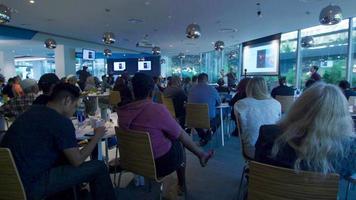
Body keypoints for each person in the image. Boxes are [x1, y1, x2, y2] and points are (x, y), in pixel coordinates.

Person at [0, 83, 116, 200]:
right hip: (32, 186)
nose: (74, 111)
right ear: (67, 100)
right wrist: (97, 136)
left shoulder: (30, 112)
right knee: (99, 166)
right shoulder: (61, 121)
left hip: (8, 183)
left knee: (63, 159)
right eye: (75, 106)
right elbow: (77, 161)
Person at [117, 73, 213, 195]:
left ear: (133, 91)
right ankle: (183, 183)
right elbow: (181, 135)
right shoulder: (156, 109)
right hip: (158, 164)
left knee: (168, 134)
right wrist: (199, 152)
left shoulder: (122, 112)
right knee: (178, 141)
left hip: (132, 161)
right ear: (151, 91)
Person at [255, 82, 356, 179]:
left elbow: (257, 170)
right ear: (342, 116)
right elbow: (347, 173)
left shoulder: (268, 133)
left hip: (269, 194)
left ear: (298, 106)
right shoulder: (349, 148)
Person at [234, 77, 281, 159]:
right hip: (274, 149)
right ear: (265, 87)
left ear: (249, 87)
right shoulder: (276, 103)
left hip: (252, 150)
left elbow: (242, 128)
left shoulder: (240, 104)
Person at [188, 73, 221, 146]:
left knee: (196, 119)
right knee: (219, 117)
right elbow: (219, 103)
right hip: (208, 118)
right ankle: (206, 137)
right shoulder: (212, 89)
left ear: (198, 80)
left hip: (192, 118)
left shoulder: (191, 89)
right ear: (206, 80)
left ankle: (204, 137)